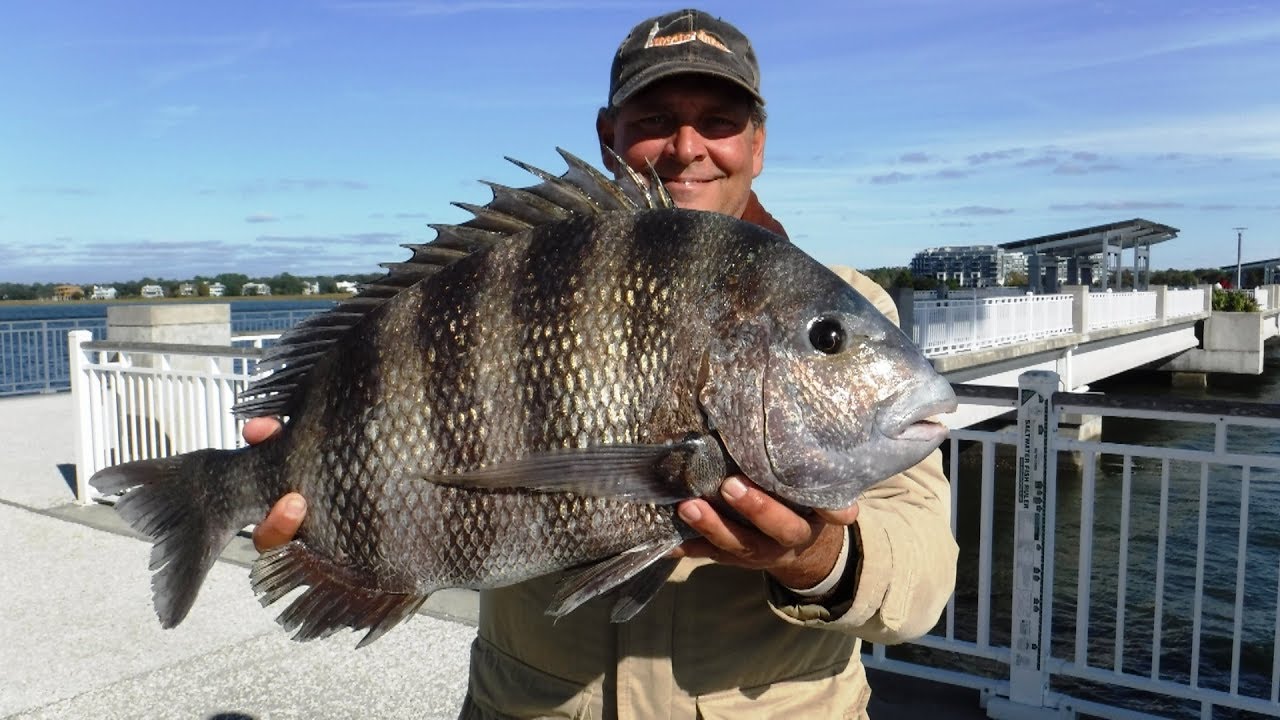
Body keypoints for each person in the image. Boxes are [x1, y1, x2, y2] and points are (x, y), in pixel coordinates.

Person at [246, 9, 957, 718]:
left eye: (718, 121)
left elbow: (923, 580)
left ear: (757, 143)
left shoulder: (852, 302)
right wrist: (317, 497)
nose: (687, 147)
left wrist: (814, 557)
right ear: (607, 135)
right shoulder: (528, 263)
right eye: (655, 120)